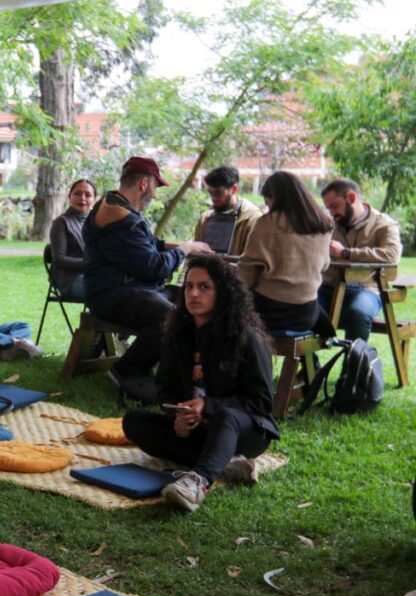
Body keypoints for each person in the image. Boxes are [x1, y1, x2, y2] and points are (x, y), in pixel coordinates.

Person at [123, 254, 280, 512]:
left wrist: (208, 407)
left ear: (222, 293)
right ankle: (228, 465)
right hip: (199, 430)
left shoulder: (245, 338)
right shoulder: (177, 334)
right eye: (188, 287)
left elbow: (261, 401)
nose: (194, 294)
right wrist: (178, 414)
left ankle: (198, 481)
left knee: (226, 417)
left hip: (244, 428)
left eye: (204, 287)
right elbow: (165, 389)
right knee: (134, 422)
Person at [83, 157, 212, 389]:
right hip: (112, 296)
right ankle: (126, 371)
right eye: (155, 186)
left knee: (191, 301)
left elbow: (148, 244)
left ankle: (182, 373)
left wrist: (185, 246)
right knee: (168, 316)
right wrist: (184, 250)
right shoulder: (123, 220)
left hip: (117, 291)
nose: (155, 193)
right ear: (144, 184)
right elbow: (153, 266)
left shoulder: (112, 206)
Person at [237, 171, 333, 334]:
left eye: (268, 203)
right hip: (306, 314)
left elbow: (246, 274)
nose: (268, 208)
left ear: (273, 197)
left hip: (269, 313)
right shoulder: (323, 224)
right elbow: (324, 266)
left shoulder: (266, 223)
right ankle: (314, 354)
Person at [317, 179, 403, 341]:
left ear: (351, 198)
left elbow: (391, 255)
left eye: (334, 206)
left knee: (358, 313)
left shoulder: (384, 224)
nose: (331, 213)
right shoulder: (328, 223)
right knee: (299, 309)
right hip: (328, 287)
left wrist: (346, 253)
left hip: (366, 289)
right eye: (328, 208)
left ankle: (353, 364)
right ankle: (311, 365)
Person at [194, 165, 262, 256]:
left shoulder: (253, 219)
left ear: (234, 189)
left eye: (218, 192)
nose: (213, 198)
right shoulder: (205, 219)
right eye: (210, 192)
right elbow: (194, 254)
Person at [49, 178, 98, 300]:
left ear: (94, 200)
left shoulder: (97, 223)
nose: (82, 198)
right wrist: (91, 264)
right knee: (110, 291)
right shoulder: (61, 223)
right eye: (77, 193)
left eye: (88, 195)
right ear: (70, 196)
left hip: (93, 276)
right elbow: (59, 259)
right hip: (69, 280)